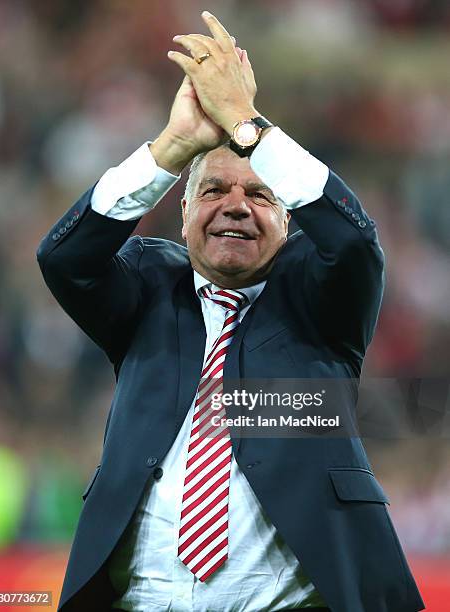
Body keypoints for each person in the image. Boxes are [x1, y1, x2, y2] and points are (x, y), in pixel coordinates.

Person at [37, 10, 425, 612]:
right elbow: (63, 257)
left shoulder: (320, 301)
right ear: (184, 211)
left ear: (289, 219)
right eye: (214, 191)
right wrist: (171, 149)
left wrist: (248, 127)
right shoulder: (146, 291)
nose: (236, 206)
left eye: (260, 195)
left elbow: (351, 241)